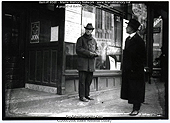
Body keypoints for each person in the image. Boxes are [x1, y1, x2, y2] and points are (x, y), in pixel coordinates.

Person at [120, 19, 146, 116]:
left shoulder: (139, 41)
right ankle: (135, 107)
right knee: (131, 89)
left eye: (128, 26)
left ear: (132, 28)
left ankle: (136, 108)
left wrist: (133, 68)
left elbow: (142, 57)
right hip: (129, 70)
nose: (126, 28)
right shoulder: (128, 40)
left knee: (136, 90)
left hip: (136, 71)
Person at [76, 23, 98, 102]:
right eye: (87, 29)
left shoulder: (94, 40)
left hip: (91, 64)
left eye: (90, 30)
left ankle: (87, 95)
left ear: (92, 31)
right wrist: (89, 53)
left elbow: (97, 49)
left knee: (88, 81)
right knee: (82, 81)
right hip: (83, 64)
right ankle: (81, 96)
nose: (88, 31)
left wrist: (96, 53)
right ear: (85, 30)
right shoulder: (80, 39)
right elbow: (78, 50)